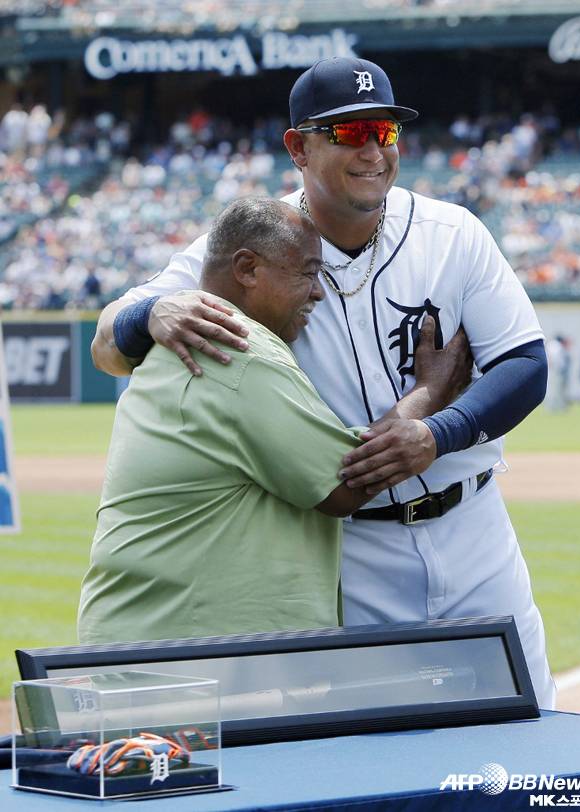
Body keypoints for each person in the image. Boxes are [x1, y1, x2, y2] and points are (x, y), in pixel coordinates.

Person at [91, 57, 555, 707]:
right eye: (348, 133)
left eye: (384, 132)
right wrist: (152, 309)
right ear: (297, 148)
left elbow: (526, 365)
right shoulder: (258, 243)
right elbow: (107, 343)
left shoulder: (453, 235)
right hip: (354, 551)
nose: (372, 149)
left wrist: (436, 432)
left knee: (527, 736)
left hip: (474, 528)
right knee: (385, 761)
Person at [79, 197, 466, 644]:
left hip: (151, 648)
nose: (318, 292)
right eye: (306, 273)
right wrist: (428, 394)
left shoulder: (181, 336)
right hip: (187, 664)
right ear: (247, 269)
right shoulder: (237, 351)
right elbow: (345, 484)